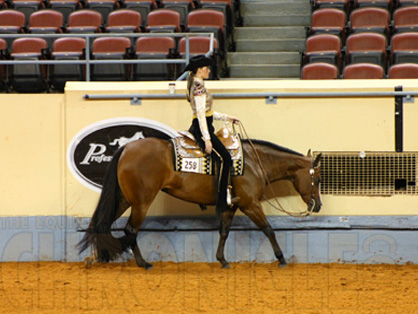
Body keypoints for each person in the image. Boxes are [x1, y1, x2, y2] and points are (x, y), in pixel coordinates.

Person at [184, 55, 239, 212]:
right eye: (206, 68)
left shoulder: (196, 84)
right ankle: (221, 199)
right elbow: (201, 115)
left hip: (202, 126)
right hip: (203, 129)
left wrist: (227, 117)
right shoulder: (199, 87)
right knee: (225, 159)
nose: (209, 71)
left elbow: (207, 112)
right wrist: (207, 139)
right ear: (200, 70)